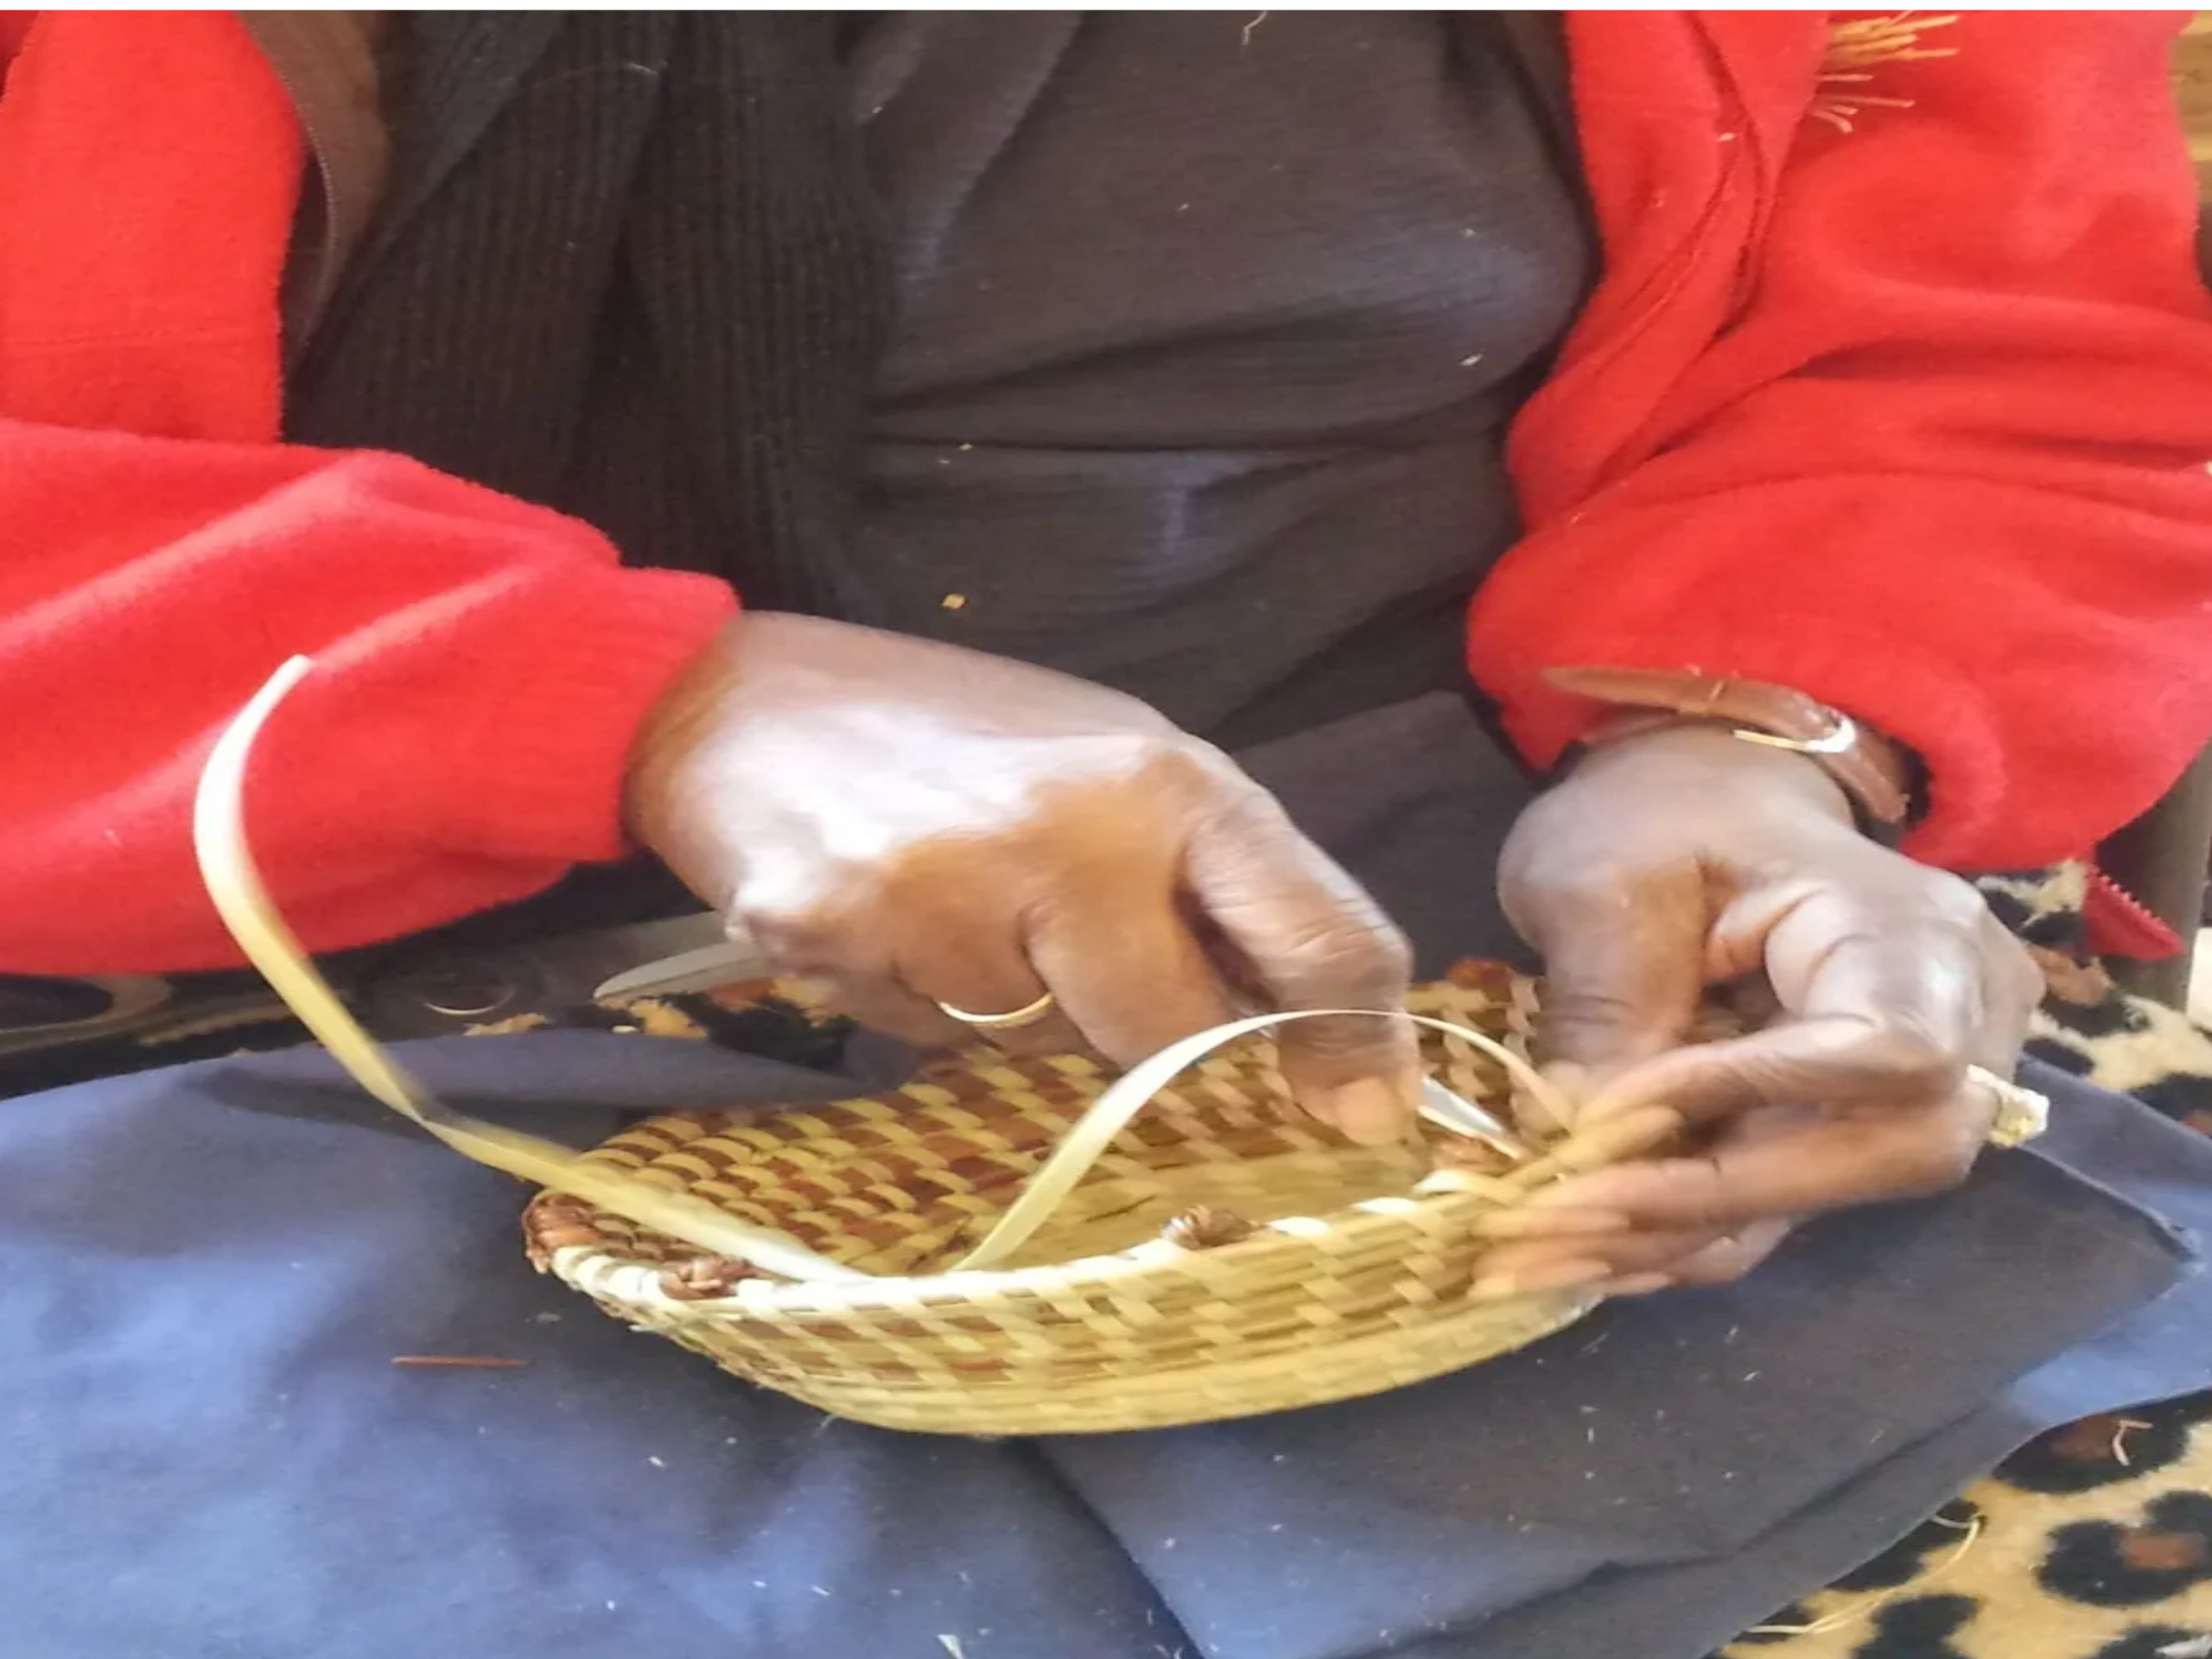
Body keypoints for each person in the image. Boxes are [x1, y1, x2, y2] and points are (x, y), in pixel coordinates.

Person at [2, 5, 2209, 1299]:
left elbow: (1979, 353)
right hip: (223, 973)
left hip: (1467, 905)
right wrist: (612, 698)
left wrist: (1748, 737)